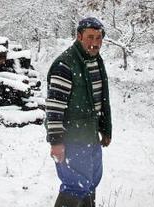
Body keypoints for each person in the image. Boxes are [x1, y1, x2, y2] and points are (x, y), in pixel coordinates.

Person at [45, 16, 112, 207]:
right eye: (90, 37)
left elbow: (101, 99)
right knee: (75, 184)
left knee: (90, 181)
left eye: (98, 38)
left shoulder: (96, 61)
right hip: (71, 135)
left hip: (89, 134)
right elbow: (54, 106)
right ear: (79, 36)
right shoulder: (65, 65)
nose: (95, 43)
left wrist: (105, 129)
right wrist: (56, 141)